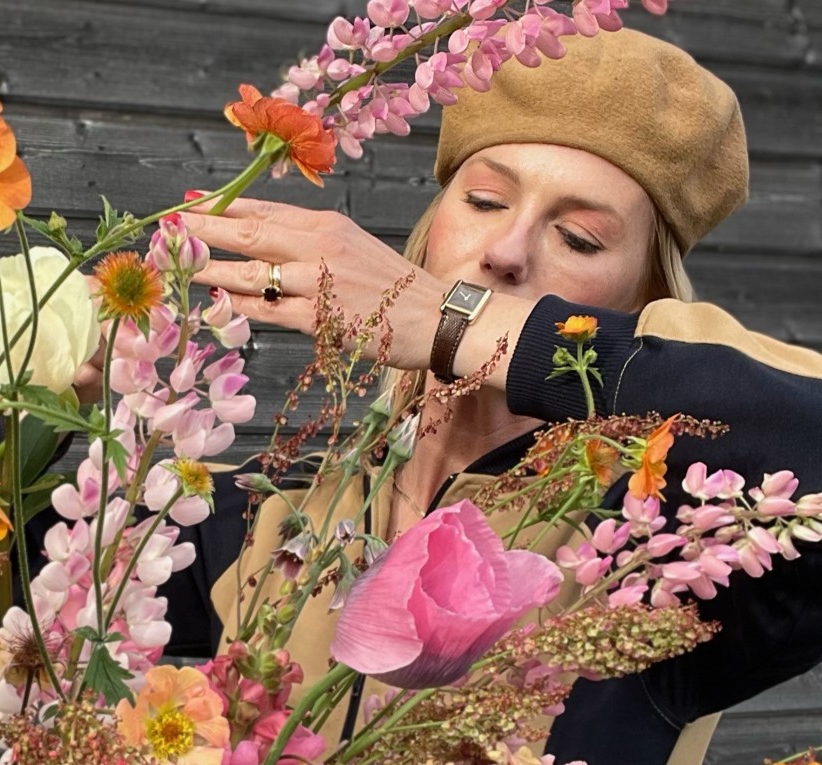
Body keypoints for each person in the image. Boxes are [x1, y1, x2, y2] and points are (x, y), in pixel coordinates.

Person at [145, 28, 822, 765]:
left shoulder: (662, 564)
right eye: (485, 199)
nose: (505, 251)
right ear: (434, 228)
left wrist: (459, 325)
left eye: (581, 239)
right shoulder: (253, 529)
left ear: (633, 314)